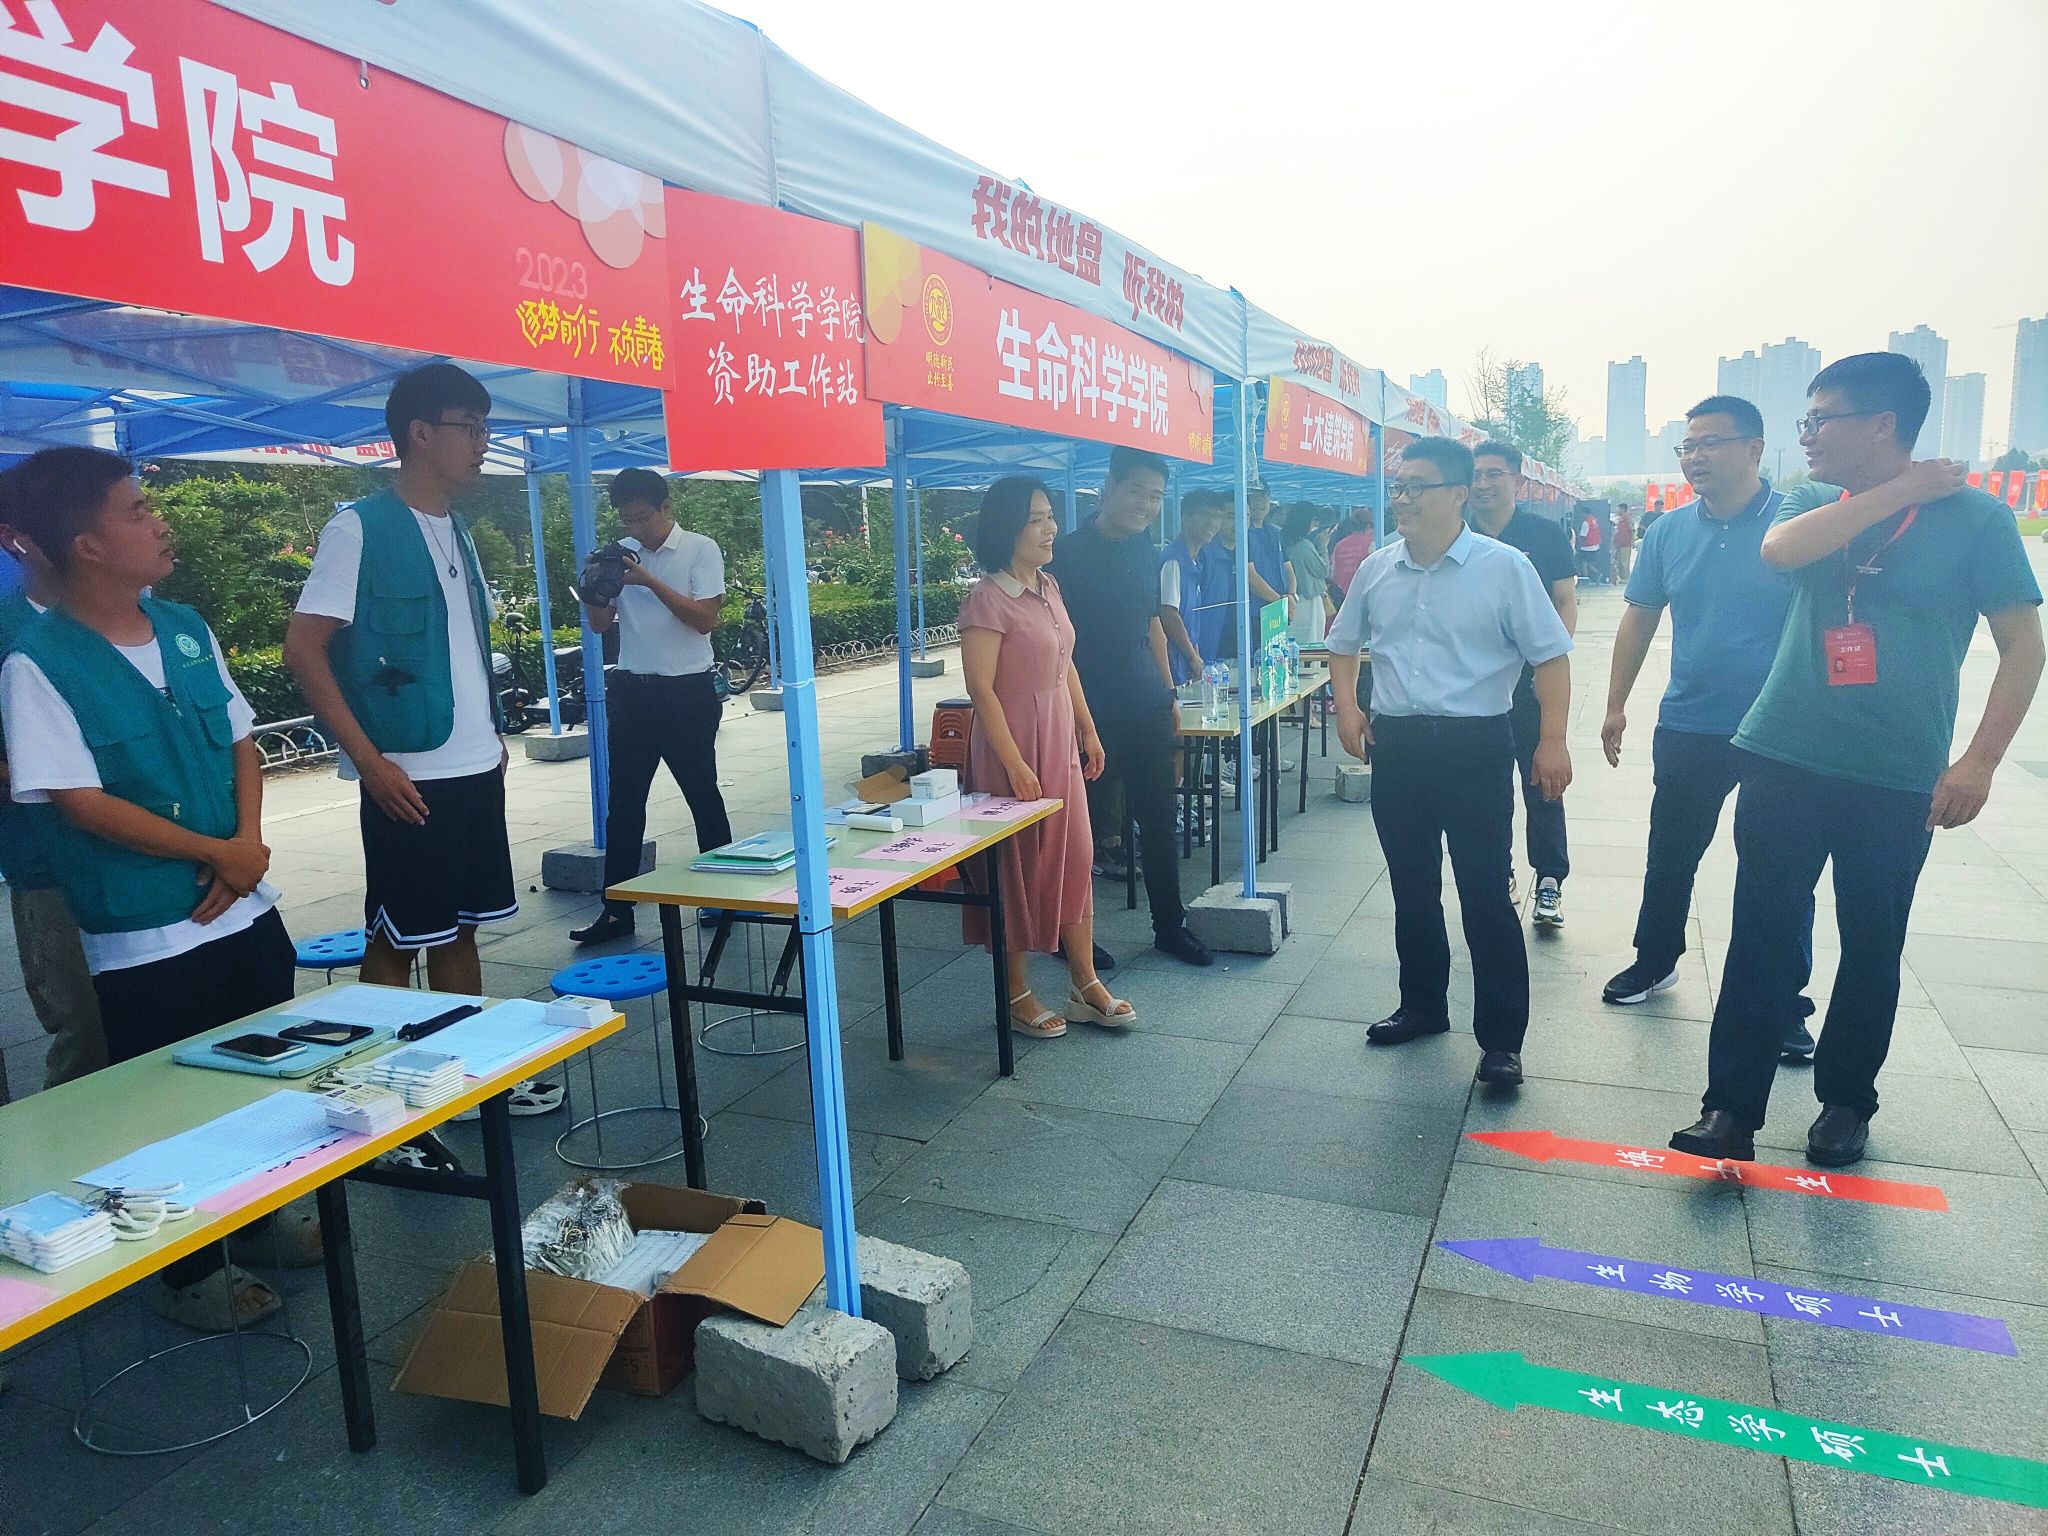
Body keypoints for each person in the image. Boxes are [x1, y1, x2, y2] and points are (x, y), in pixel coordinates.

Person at [1670, 353, 2044, 1167]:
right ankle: (1729, 1109)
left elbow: (2024, 645)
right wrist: (1906, 489)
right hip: (1784, 753)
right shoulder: (1815, 500)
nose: (1805, 436)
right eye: (1803, 421)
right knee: (1761, 935)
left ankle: (1846, 1102)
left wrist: (1979, 762)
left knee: (1873, 942)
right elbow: (1781, 551)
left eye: (1820, 420)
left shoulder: (1978, 520)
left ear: (1882, 424)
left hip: (1898, 771)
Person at [1, 447, 302, 1329]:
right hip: (145, 932)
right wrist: (217, 851)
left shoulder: (183, 626)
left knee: (261, 1076)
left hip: (242, 907)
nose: (160, 521)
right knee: (168, 1108)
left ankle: (258, 1217)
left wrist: (245, 847)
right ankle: (188, 1270)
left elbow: (241, 741)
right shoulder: (38, 661)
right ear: (87, 546)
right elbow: (79, 800)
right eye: (137, 510)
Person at [284, 363, 558, 1132]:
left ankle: (461, 1075)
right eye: (470, 428)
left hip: (472, 764)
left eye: (485, 428)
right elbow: (303, 649)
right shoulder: (359, 529)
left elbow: (457, 650)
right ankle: (377, 1097)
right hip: (409, 775)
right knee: (398, 935)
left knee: (460, 927)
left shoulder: (456, 530)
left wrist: (491, 734)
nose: (482, 442)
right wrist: (369, 762)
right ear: (420, 434)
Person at [1327, 437, 1572, 1087]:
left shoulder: (1505, 567)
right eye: (1398, 486)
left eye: (1417, 486)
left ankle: (1502, 1039)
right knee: (1411, 886)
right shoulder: (1378, 568)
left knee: (1485, 893)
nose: (1402, 498)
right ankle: (1422, 1005)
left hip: (1476, 746)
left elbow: (1550, 656)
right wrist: (1348, 708)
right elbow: (1343, 643)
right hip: (1399, 745)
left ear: (1458, 494)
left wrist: (1552, 740)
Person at [1600, 395, 1815, 1057]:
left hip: (1780, 728)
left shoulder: (1796, 521)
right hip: (1691, 719)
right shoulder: (1668, 531)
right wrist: (1615, 703)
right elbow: (1640, 616)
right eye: (1688, 445)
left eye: (1711, 443)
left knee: (1780, 870)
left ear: (1754, 449)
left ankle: (1783, 1003)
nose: (1696, 456)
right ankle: (1655, 958)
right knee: (1670, 851)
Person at [958, 476, 1132, 1034]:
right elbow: (981, 689)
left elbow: (1065, 663)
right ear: (1006, 528)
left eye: (1050, 516)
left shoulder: (1049, 586)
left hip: (1059, 739)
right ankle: (1016, 992)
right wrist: (1013, 762)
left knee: (1076, 855)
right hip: (1013, 745)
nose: (1050, 528)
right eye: (1035, 519)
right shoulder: (988, 599)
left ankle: (1085, 983)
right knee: (1016, 867)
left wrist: (1088, 728)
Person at [1050, 447, 1212, 967]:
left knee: (1159, 819)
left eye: (1156, 496)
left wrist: (1167, 692)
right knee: (1080, 831)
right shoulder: (1064, 556)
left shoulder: (1148, 551)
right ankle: (1070, 937)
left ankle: (1170, 927)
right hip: (1088, 708)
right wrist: (1077, 718)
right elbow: (1057, 646)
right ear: (1109, 488)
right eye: (1137, 491)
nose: (1146, 504)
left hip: (1144, 702)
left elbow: (1152, 625)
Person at [567, 468, 733, 945]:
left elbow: (704, 619)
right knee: (623, 806)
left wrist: (646, 580)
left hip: (688, 693)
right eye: (627, 519)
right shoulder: (619, 554)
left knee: (702, 795)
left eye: (642, 517)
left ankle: (722, 896)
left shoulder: (700, 549)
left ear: (665, 506)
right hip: (632, 691)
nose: (635, 527)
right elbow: (600, 625)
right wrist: (596, 589)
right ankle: (616, 910)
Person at [0, 482, 106, 1101]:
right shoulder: (11, 633)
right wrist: (61, 773)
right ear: (17, 540)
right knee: (87, 1034)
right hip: (51, 867)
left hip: (157, 860)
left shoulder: (141, 622)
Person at [1467, 440, 1577, 927]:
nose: (1484, 484)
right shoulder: (1457, 534)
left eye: (1494, 474)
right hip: (1478, 687)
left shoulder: (1543, 534)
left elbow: (1565, 601)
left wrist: (1547, 661)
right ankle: (1501, 872)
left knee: (1543, 782)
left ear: (1516, 479)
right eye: (1476, 475)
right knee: (1486, 791)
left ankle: (1549, 879)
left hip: (1531, 687)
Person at [1159, 489, 1226, 685]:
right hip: (1171, 663)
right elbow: (1169, 614)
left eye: (1218, 517)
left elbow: (1190, 618)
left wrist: (1195, 655)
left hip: (1185, 662)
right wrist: (1192, 656)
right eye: (1206, 515)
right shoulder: (1173, 560)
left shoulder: (1195, 562)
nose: (1213, 523)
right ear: (1185, 517)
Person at [1282, 502, 1332, 640]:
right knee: (1310, 639)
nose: (1315, 524)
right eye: (1313, 520)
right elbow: (1322, 570)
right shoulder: (1303, 544)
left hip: (1289, 599)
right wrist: (1323, 547)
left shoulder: (1282, 540)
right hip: (1308, 601)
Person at [1575, 501, 1607, 582]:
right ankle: (1597, 574)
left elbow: (1583, 535)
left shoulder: (1586, 522)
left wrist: (1577, 544)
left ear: (1584, 513)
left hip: (1587, 546)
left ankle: (1585, 579)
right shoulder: (1593, 520)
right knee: (1589, 562)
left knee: (1584, 562)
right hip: (1595, 545)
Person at [1611, 504, 1635, 585]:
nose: (1617, 511)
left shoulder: (1628, 519)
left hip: (1626, 544)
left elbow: (1632, 530)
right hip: (1618, 544)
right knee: (1619, 562)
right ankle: (1621, 577)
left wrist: (1632, 542)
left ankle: (1626, 578)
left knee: (1624, 562)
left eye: (1618, 509)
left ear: (1623, 509)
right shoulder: (1619, 520)